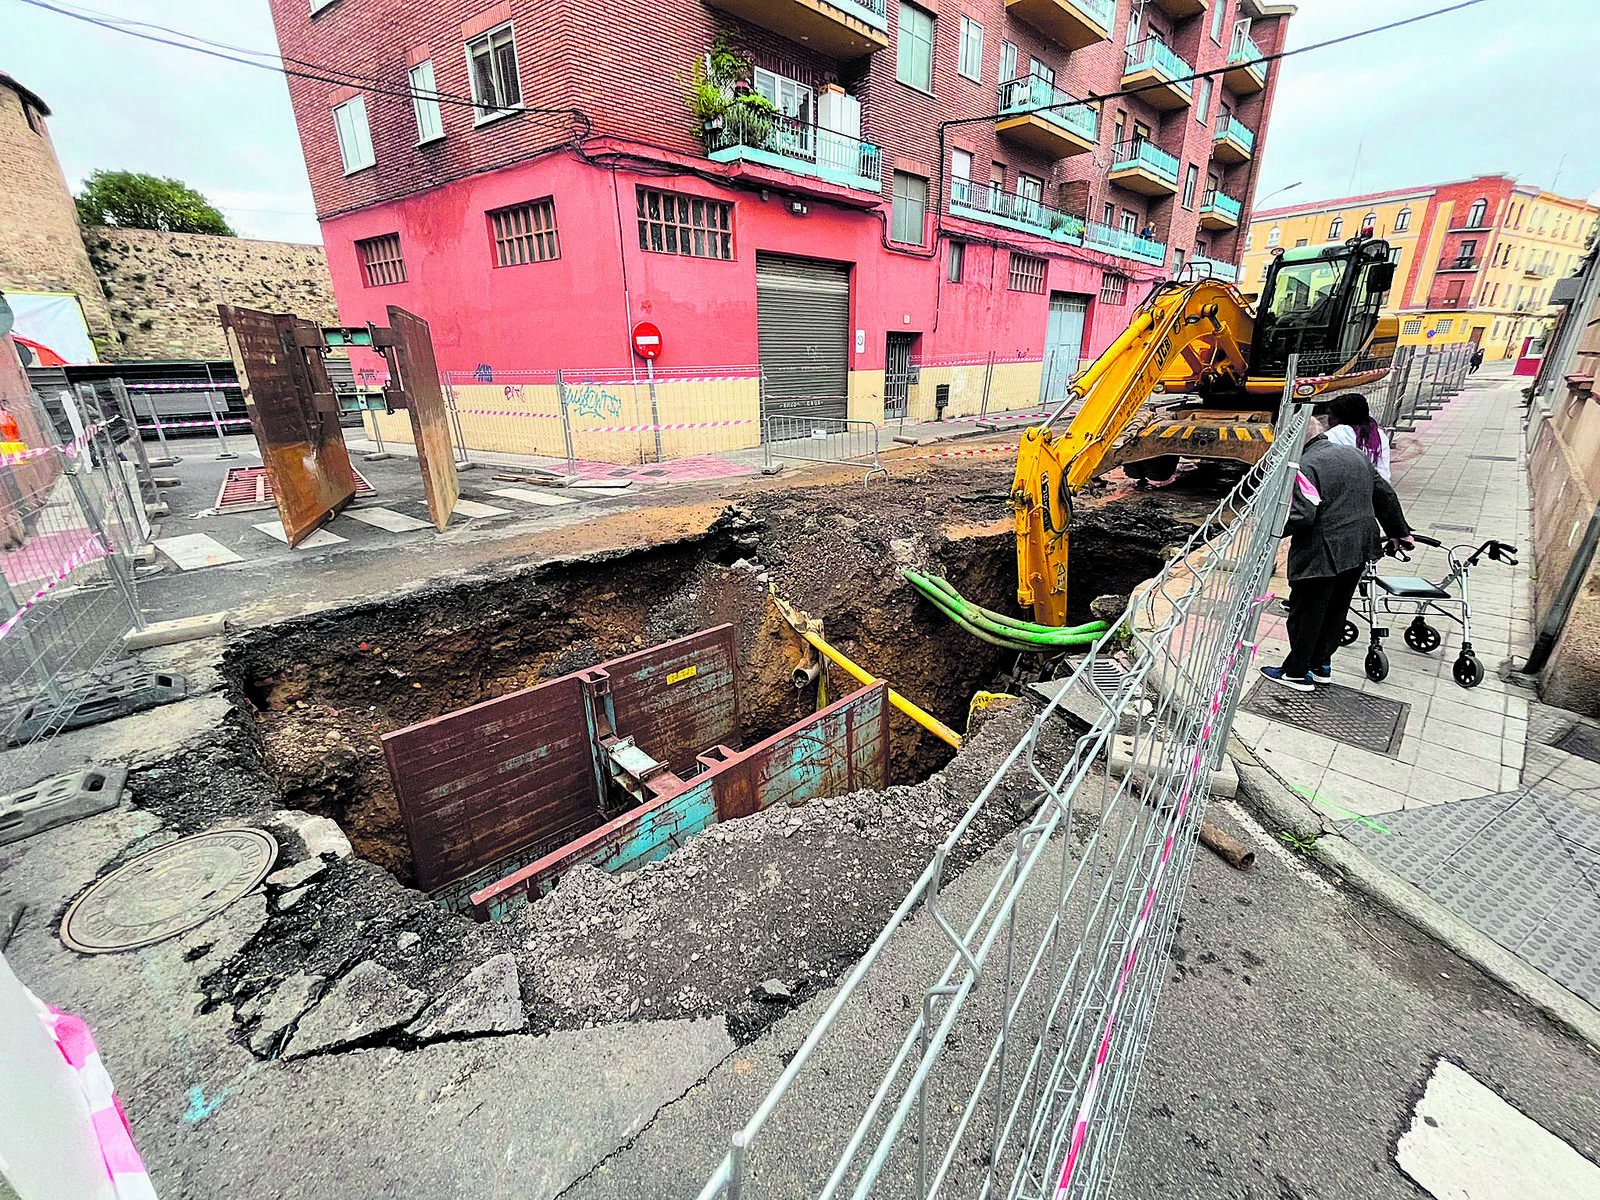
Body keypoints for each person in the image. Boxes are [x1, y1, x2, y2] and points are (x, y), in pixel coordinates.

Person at [1261, 433, 1413, 691]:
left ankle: (1296, 672)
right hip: (1359, 547)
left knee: (1306, 611)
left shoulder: (1304, 465)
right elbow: (1384, 494)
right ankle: (1322, 666)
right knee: (1336, 608)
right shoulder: (1354, 454)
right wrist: (1400, 532)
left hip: (1321, 550)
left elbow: (1303, 515)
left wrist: (1269, 532)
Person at [1322, 393, 1391, 480]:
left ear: (1340, 417)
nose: (1328, 420)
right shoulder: (1378, 434)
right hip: (1377, 486)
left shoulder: (1334, 435)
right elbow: (1383, 470)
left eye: (1330, 415)